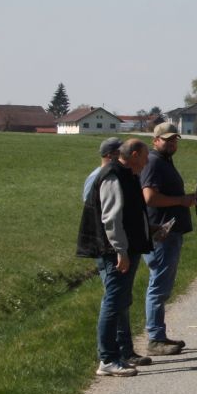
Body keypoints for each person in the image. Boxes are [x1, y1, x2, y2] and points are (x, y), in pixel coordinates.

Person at [77, 138, 153, 376]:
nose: (147, 162)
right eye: (145, 157)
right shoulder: (112, 175)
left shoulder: (127, 174)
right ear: (134, 154)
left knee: (120, 300)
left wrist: (149, 231)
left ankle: (119, 354)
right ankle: (108, 358)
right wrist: (120, 251)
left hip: (126, 249)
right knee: (113, 301)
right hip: (115, 252)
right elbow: (111, 218)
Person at [141, 122, 197, 355]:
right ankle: (155, 339)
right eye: (167, 140)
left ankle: (159, 335)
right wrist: (181, 201)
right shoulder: (154, 162)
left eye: (174, 139)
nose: (172, 143)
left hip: (169, 232)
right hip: (161, 233)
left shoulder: (163, 161)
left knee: (161, 286)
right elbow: (149, 197)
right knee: (158, 286)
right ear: (155, 141)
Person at [83, 137, 122, 202]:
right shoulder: (96, 177)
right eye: (120, 154)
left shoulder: (117, 173)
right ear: (110, 156)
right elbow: (88, 202)